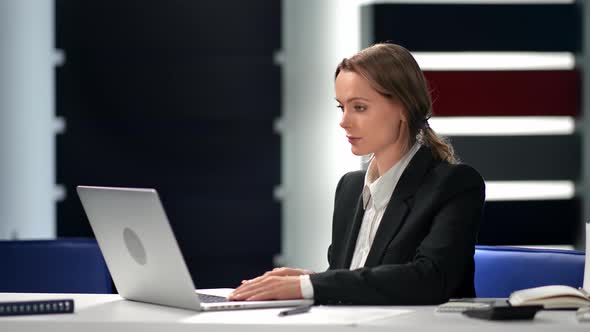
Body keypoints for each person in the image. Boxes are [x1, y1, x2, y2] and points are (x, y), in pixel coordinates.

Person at [228, 43, 485, 305]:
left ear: (404, 109)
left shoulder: (455, 184)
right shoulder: (349, 188)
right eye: (342, 107)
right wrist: (309, 279)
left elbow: (429, 280)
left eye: (359, 107)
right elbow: (360, 278)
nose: (344, 121)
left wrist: (311, 285)